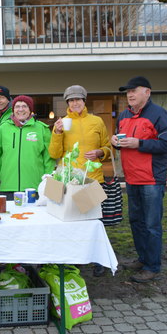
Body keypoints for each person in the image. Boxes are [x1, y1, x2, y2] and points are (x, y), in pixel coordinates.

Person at [112, 76, 167, 283]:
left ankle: (152, 267)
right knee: (136, 222)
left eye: (134, 90)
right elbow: (121, 140)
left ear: (147, 92)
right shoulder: (123, 115)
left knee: (151, 225)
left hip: (151, 180)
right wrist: (115, 142)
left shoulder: (159, 114)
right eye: (127, 91)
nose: (129, 94)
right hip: (131, 178)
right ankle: (142, 259)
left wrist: (139, 143)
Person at [49, 85, 111, 276]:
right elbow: (54, 153)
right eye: (71, 100)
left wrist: (101, 152)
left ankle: (97, 259)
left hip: (91, 180)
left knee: (92, 222)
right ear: (67, 103)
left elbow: (108, 147)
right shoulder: (63, 123)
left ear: (84, 101)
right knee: (70, 222)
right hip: (69, 181)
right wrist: (57, 133)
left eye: (78, 99)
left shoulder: (97, 121)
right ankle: (73, 259)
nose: (75, 103)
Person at [0, 95, 53, 200]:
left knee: (34, 216)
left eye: (24, 106)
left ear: (30, 110)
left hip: (34, 185)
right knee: (9, 215)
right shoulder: (2, 129)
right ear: (13, 110)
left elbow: (48, 156)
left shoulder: (41, 129)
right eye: (17, 106)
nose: (20, 109)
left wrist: (48, 177)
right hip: (8, 185)